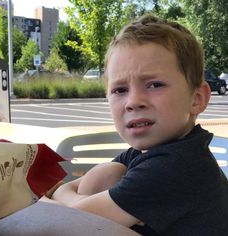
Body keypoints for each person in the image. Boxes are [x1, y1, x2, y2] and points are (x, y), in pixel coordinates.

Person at [42, 14, 228, 235]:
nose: (133, 102)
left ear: (197, 98)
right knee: (108, 172)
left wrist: (47, 197)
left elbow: (70, 223)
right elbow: (80, 202)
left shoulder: (177, 167)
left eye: (154, 84)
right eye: (120, 90)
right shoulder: (147, 154)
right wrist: (68, 197)